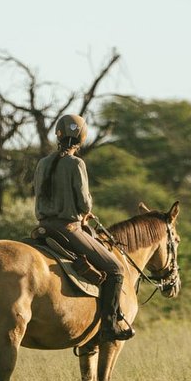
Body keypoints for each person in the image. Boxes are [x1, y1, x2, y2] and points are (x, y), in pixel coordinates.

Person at [33, 113, 133, 342]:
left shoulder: (42, 163)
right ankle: (109, 328)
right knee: (116, 270)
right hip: (68, 229)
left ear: (58, 134)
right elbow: (84, 203)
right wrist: (85, 211)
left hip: (42, 228)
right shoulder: (76, 163)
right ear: (81, 137)